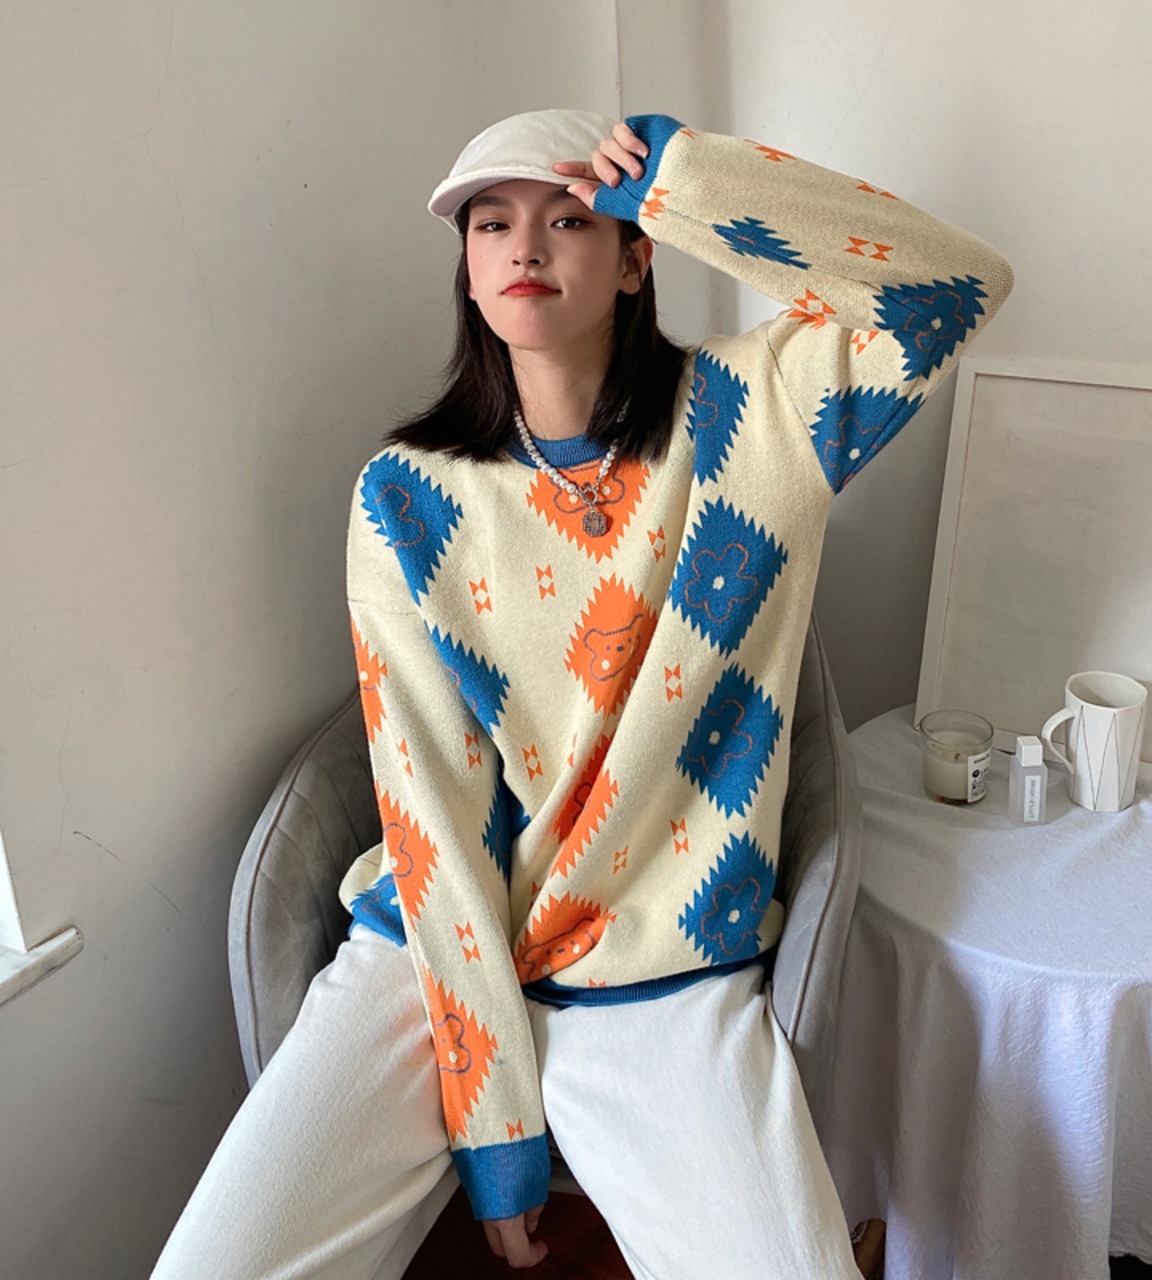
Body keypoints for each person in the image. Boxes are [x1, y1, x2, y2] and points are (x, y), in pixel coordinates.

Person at [153, 109, 1013, 1279]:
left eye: (567, 219)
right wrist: (492, 1114)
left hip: (659, 955)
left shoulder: (757, 415)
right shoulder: (405, 494)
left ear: (633, 256)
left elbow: (951, 288)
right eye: (489, 223)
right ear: (467, 269)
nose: (524, 246)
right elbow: (428, 802)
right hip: (432, 952)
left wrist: (684, 178)